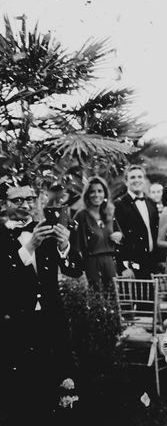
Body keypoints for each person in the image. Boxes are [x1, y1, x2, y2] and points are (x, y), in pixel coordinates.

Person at [0, 182, 82, 424]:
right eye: (18, 200)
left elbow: (75, 270)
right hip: (16, 320)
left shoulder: (43, 230)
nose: (25, 205)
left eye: (30, 199)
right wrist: (29, 246)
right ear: (4, 204)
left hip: (51, 317)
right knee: (21, 385)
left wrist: (64, 245)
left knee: (53, 379)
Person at [73, 176, 123, 292]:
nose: (96, 195)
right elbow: (75, 246)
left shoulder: (109, 213)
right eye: (92, 192)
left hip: (110, 262)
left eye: (100, 191)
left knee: (112, 297)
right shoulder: (81, 216)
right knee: (96, 297)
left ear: (105, 194)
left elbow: (120, 235)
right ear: (87, 195)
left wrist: (119, 236)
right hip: (91, 263)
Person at [114, 165, 160, 278]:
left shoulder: (152, 203)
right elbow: (116, 239)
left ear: (144, 180)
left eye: (140, 177)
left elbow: (155, 233)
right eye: (133, 177)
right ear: (126, 181)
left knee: (152, 296)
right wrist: (123, 267)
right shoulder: (118, 205)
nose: (137, 180)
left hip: (152, 263)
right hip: (131, 266)